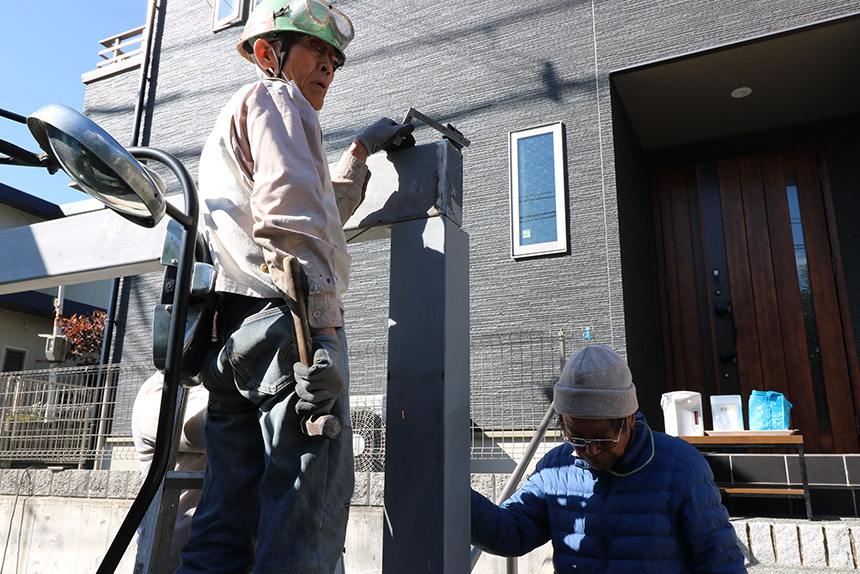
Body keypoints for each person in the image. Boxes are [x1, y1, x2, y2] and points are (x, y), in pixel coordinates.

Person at [175, 1, 415, 572]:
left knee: (223, 521)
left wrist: (359, 151)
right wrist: (326, 335)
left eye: (335, 58)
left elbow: (319, 209)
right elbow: (293, 219)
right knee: (304, 519)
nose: (328, 67)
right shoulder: (276, 97)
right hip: (288, 332)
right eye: (315, 50)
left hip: (229, 338)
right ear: (267, 53)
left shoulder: (233, 122)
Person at [470, 344, 747, 573]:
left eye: (602, 439)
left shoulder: (680, 466)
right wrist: (455, 498)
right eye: (576, 437)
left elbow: (721, 563)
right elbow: (512, 532)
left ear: (629, 419)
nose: (591, 450)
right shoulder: (554, 468)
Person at [131, 372, 209, 573]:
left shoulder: (209, 383)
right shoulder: (158, 393)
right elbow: (207, 428)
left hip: (217, 550)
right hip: (170, 558)